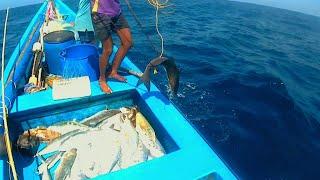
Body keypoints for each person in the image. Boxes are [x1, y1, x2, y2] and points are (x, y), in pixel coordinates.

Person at [91, 0, 133, 94]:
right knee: (108, 49)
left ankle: (112, 72)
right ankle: (102, 79)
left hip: (116, 13)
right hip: (100, 14)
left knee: (127, 43)